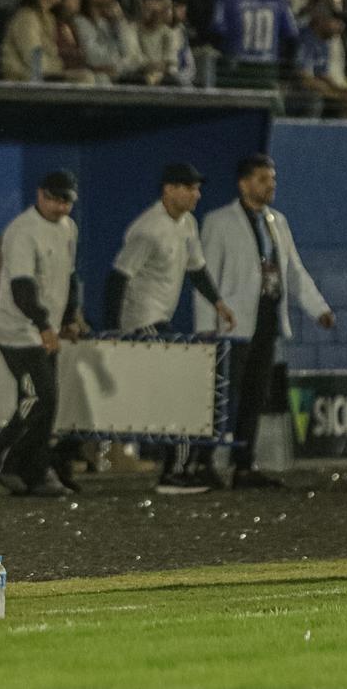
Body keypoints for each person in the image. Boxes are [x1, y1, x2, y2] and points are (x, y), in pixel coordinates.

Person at [195, 154, 335, 489]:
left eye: (272, 179)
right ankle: (203, 462)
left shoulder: (277, 222)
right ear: (244, 184)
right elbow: (205, 276)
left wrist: (318, 308)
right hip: (232, 326)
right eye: (262, 179)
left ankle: (244, 464)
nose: (270, 185)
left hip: (266, 320)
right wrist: (206, 326)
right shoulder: (219, 222)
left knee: (254, 395)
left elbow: (293, 271)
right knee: (219, 396)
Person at [103, 163, 236, 494]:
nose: (196, 194)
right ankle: (175, 472)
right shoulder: (148, 229)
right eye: (189, 187)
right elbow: (118, 277)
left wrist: (218, 303)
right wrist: (114, 331)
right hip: (142, 322)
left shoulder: (187, 224)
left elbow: (196, 269)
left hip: (160, 319)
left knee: (182, 388)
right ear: (168, 190)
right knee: (180, 389)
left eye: (197, 188)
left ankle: (185, 467)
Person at [0, 170, 86, 498]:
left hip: (44, 330)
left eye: (66, 201)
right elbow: (22, 288)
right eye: (55, 200)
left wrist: (68, 318)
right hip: (19, 331)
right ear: (40, 195)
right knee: (39, 398)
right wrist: (43, 325)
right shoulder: (23, 231)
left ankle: (35, 470)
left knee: (45, 403)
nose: (61, 207)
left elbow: (69, 276)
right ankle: (0, 458)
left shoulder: (68, 228)